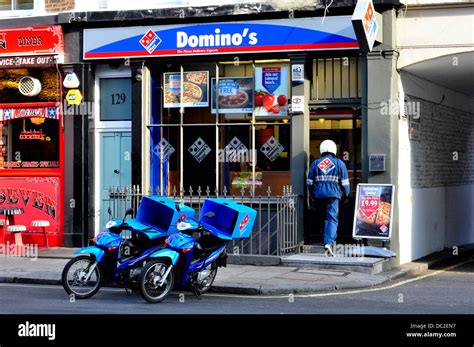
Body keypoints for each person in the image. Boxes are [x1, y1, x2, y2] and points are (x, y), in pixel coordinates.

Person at [307, 140, 350, 256]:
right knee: (332, 219)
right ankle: (329, 242)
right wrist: (347, 195)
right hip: (333, 195)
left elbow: (310, 182)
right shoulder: (339, 163)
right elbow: (345, 182)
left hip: (318, 195)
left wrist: (311, 194)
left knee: (325, 218)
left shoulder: (315, 163)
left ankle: (327, 240)